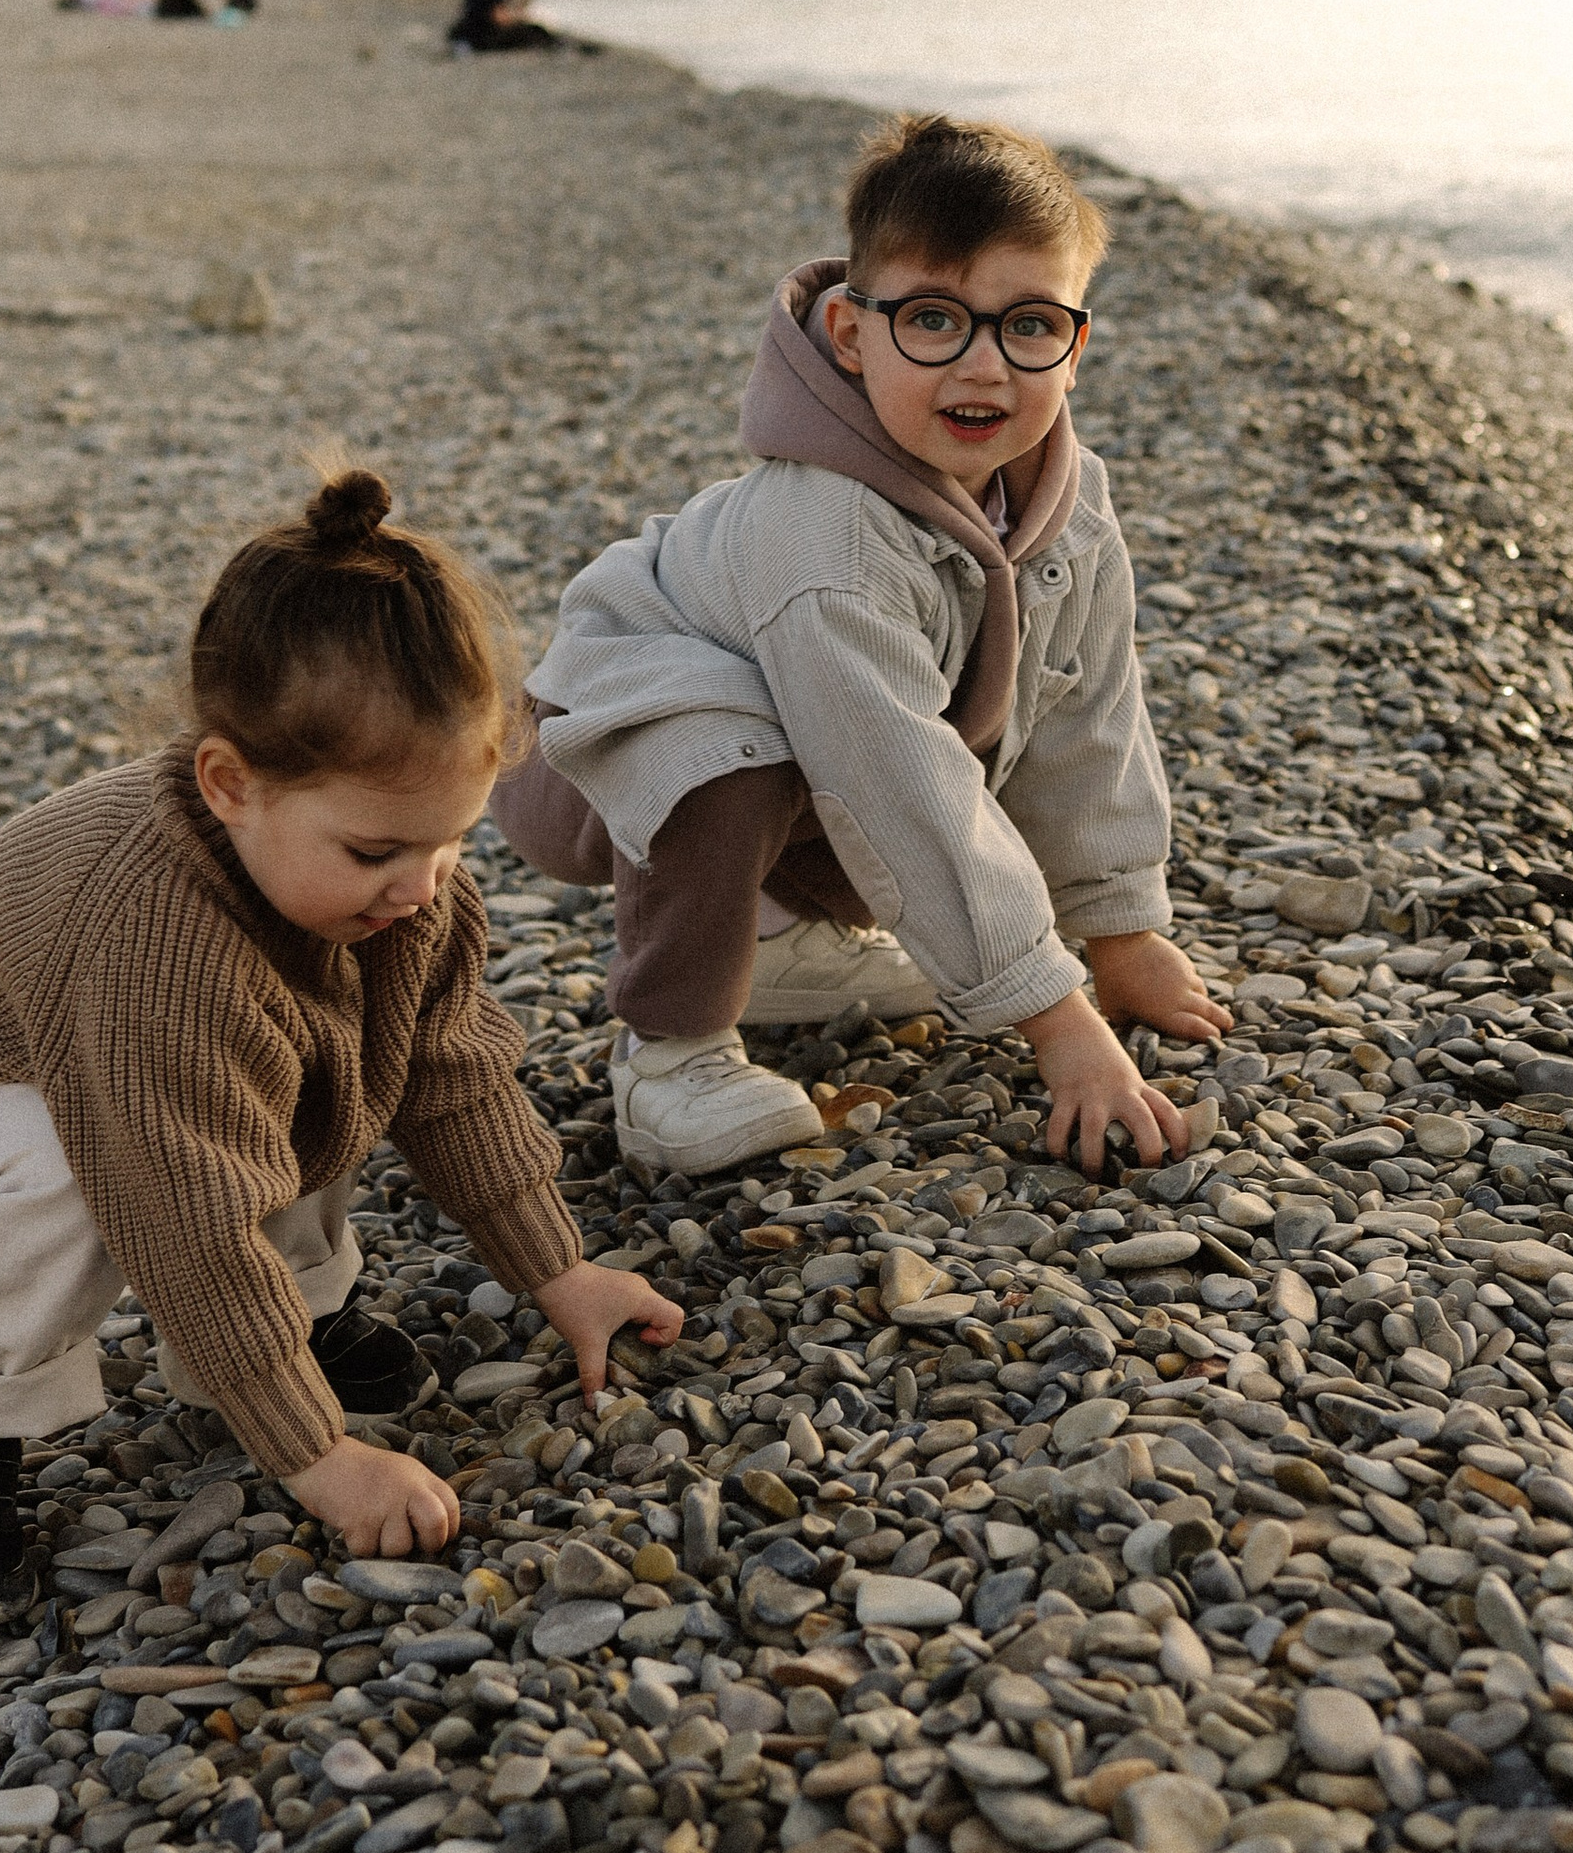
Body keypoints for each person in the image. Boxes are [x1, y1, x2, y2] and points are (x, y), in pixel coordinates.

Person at [0, 471, 681, 1628]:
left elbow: (453, 1080)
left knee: (334, 1053)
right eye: (377, 848)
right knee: (75, 1168)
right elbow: (179, 1204)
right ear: (231, 785)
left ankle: (292, 1320)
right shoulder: (151, 936)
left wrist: (556, 1269)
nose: (420, 886)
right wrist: (318, 1461)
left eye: (450, 843)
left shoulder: (398, 890)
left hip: (154, 1075)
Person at [494, 112, 1231, 1179]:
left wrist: (1118, 931)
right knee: (724, 738)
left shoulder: (1071, 505)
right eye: (933, 320)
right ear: (849, 334)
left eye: (1028, 325)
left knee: (813, 736)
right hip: (591, 753)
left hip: (794, 766)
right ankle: (671, 1052)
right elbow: (893, 776)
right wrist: (1058, 1024)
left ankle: (780, 941)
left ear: (1077, 344)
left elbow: (1089, 715)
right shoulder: (826, 536)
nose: (982, 368)